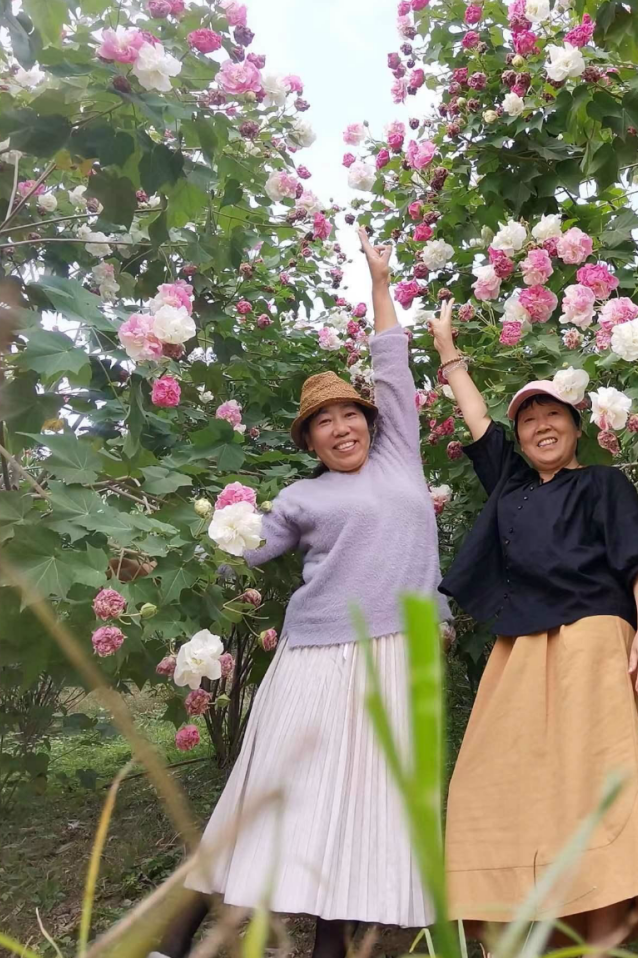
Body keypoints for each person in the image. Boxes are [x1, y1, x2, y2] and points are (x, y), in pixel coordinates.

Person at [151, 234, 449, 958]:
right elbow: (239, 553)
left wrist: (380, 280)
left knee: (360, 806)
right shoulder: (298, 497)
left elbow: (390, 360)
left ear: (369, 421)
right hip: (317, 655)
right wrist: (172, 554)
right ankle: (171, 939)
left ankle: (329, 948)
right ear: (311, 440)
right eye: (323, 423)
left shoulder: (400, 454)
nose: (340, 427)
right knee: (266, 793)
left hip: (400, 652)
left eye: (348, 415)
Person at [427, 298, 638, 951]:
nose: (540, 425)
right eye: (529, 418)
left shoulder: (602, 485)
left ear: (574, 427)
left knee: (591, 781)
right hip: (520, 646)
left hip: (595, 635)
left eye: (552, 415)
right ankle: (517, 933)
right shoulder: (510, 486)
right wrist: (448, 349)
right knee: (489, 778)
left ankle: (601, 937)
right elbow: (479, 419)